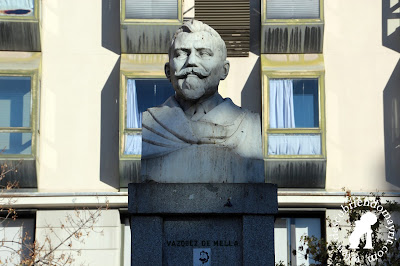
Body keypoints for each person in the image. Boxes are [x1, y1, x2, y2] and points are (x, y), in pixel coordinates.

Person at [140, 19, 263, 183]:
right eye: (181, 53)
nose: (191, 61)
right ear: (168, 71)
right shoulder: (152, 124)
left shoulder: (248, 125)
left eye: (203, 53)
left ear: (224, 70)